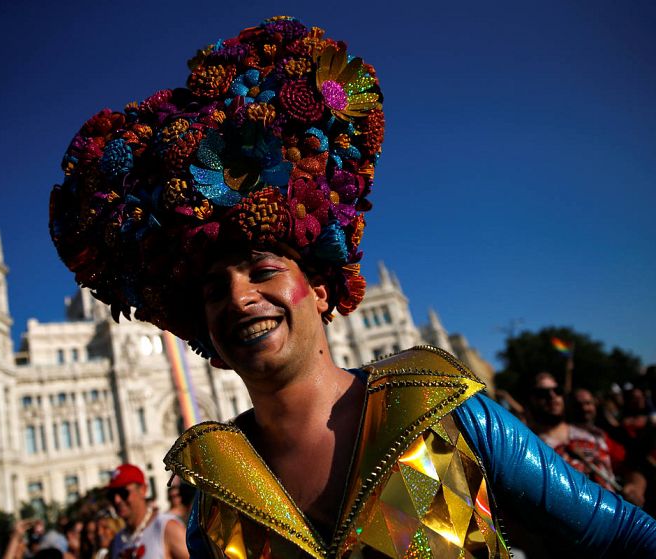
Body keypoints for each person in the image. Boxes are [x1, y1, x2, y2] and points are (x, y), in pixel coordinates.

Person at [50, 15, 656, 558]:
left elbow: (625, 536)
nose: (238, 298)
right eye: (213, 290)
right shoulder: (218, 496)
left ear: (318, 288)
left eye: (264, 271)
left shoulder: (437, 411)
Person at [105, 464, 188, 559]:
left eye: (123, 492)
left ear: (143, 490)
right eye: (111, 495)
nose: (117, 500)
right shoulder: (116, 543)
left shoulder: (166, 528)